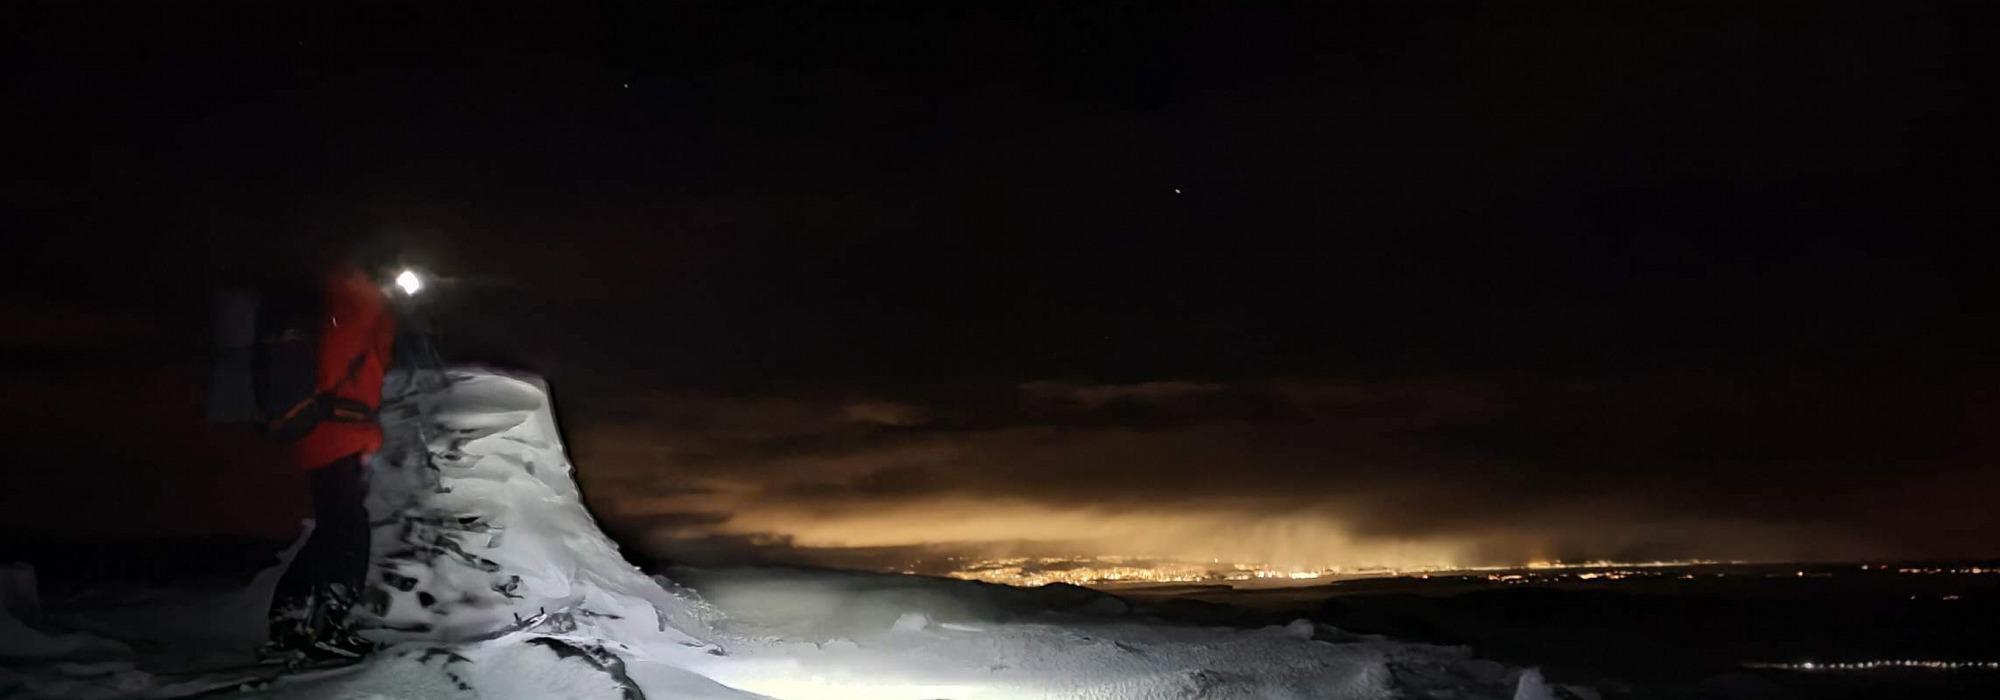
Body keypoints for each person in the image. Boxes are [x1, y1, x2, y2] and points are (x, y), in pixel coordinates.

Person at [266, 264, 397, 661]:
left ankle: (289, 622)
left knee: (332, 530)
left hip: (322, 437)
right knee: (349, 537)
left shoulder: (338, 303)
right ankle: (327, 627)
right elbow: (336, 368)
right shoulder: (359, 305)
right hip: (338, 436)